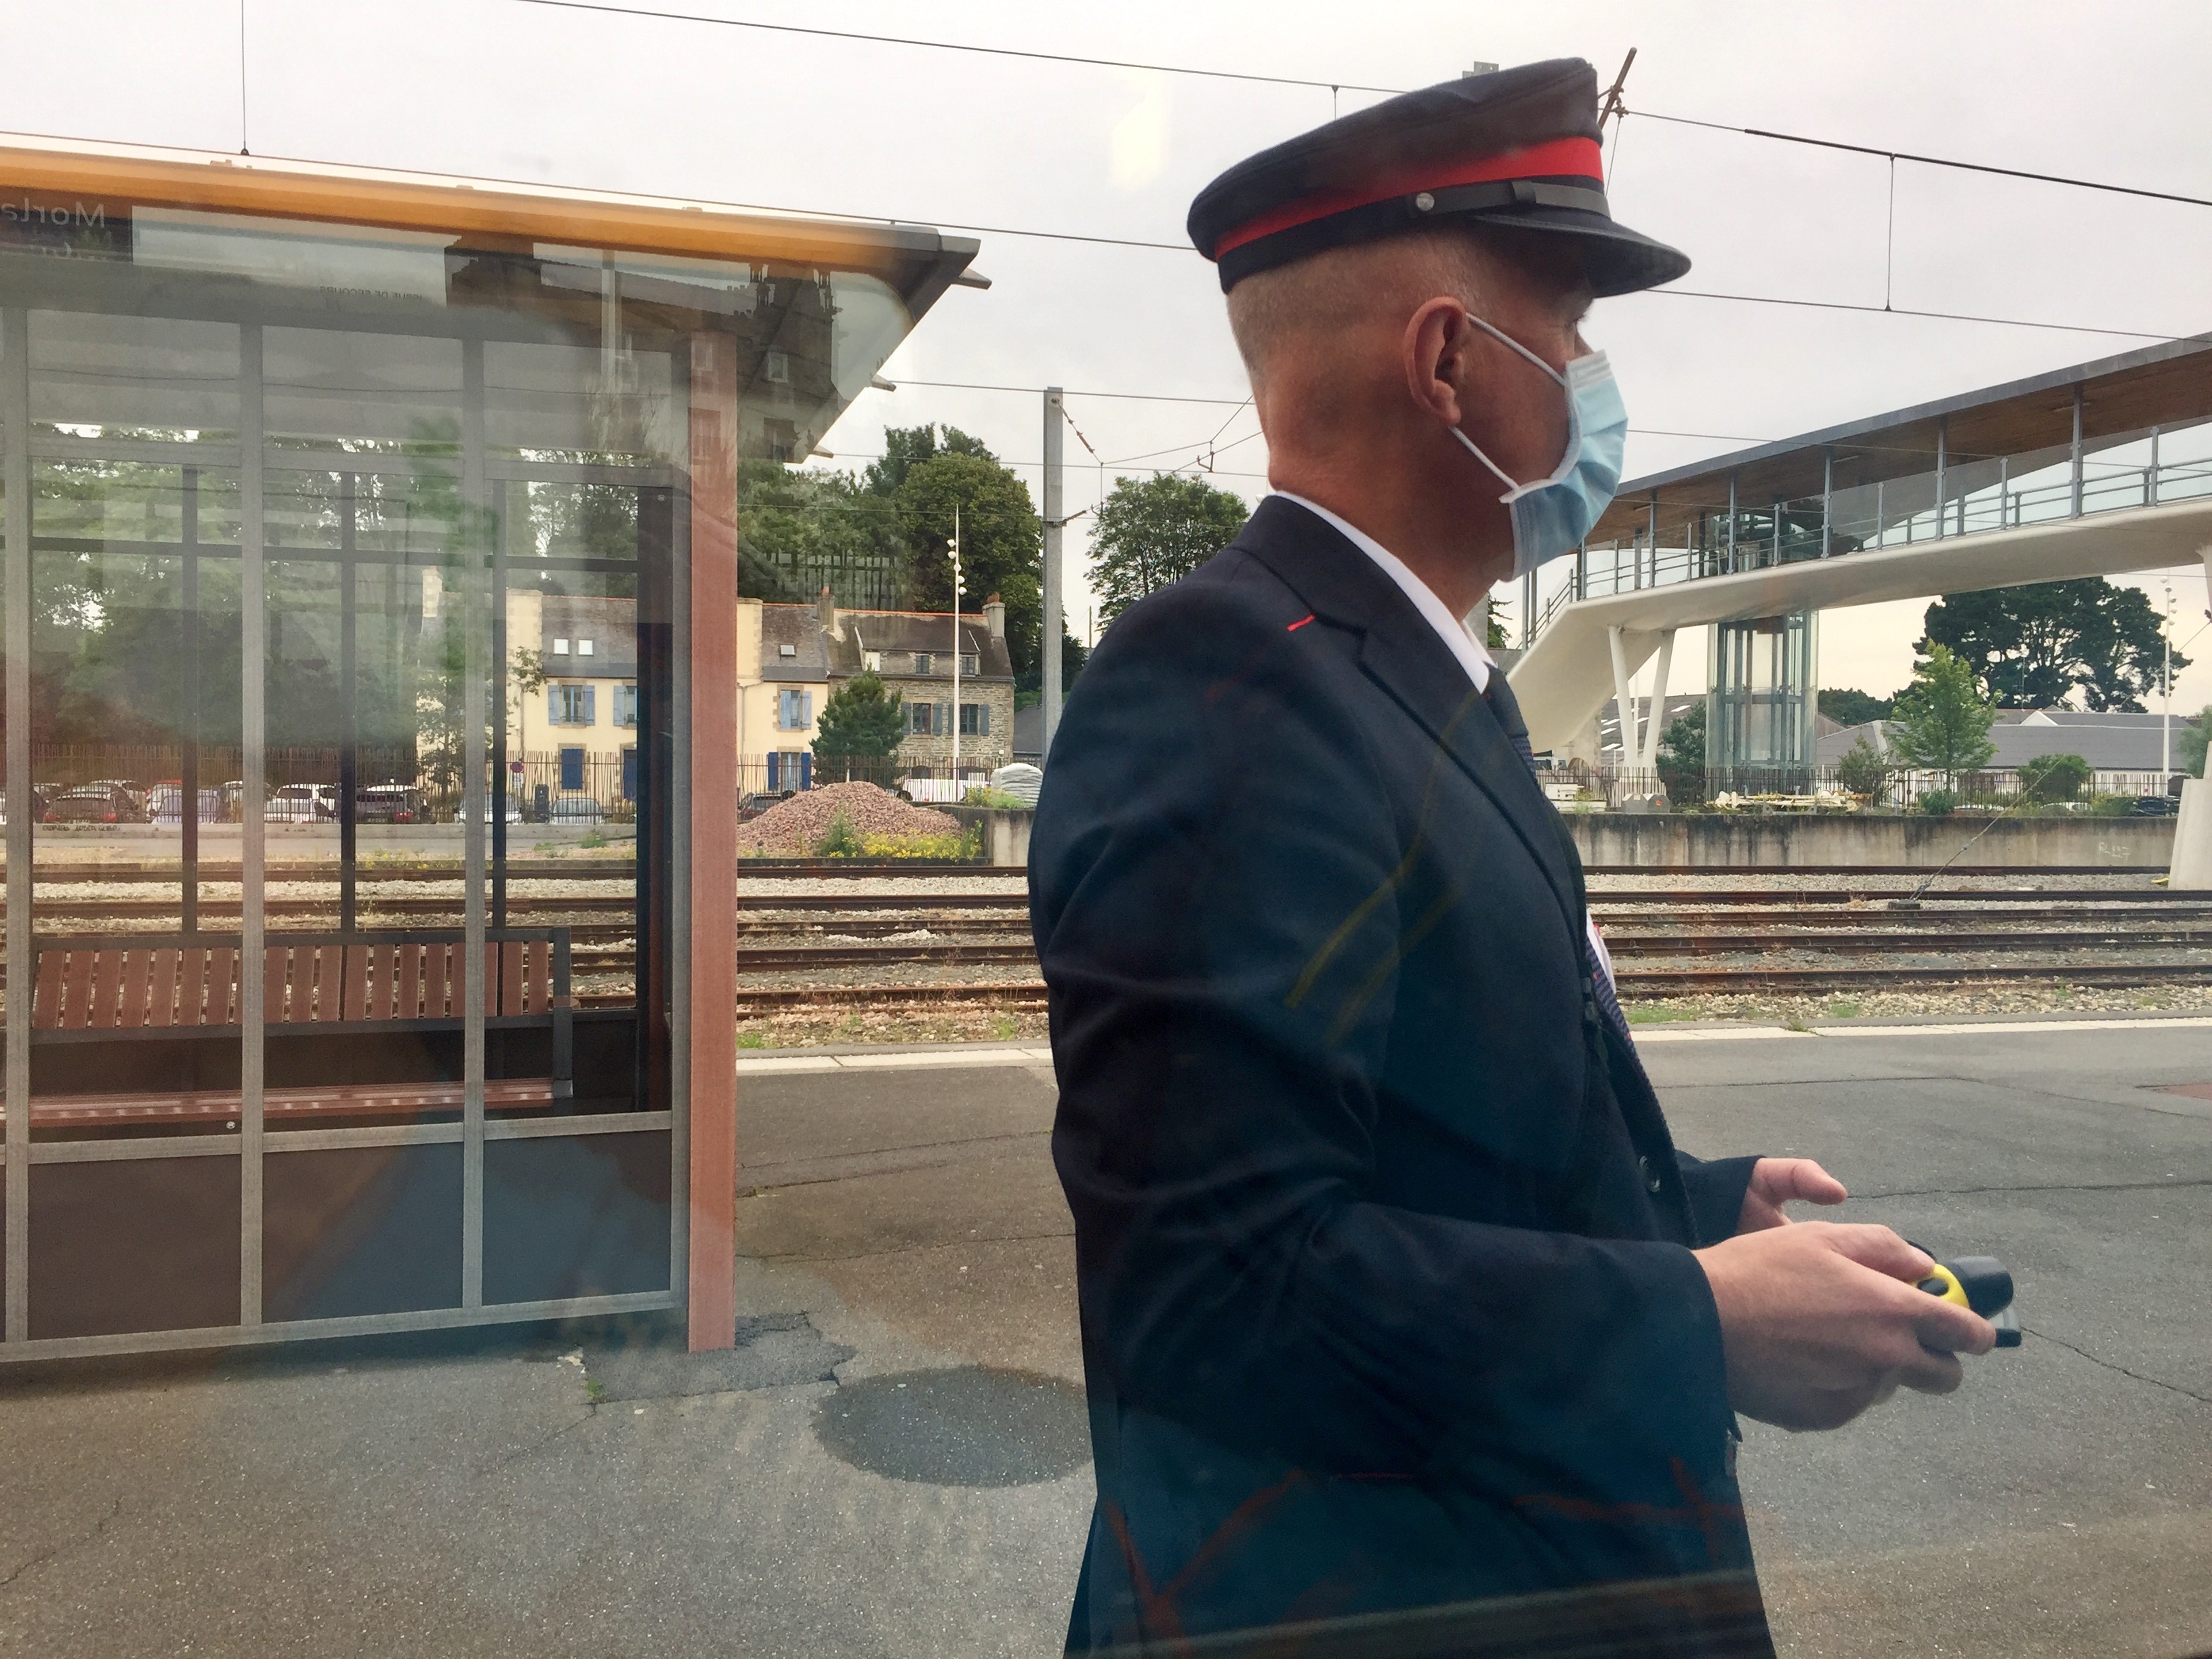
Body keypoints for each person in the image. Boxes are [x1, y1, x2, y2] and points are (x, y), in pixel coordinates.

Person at [1030, 58, 1996, 1656]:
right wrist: (1696, 1323)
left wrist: (1690, 1210)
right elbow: (1213, 1289)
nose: (1596, 382)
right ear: (1449, 363)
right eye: (1573, 331)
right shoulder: (1229, 684)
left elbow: (1426, 1120)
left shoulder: (1402, 676)